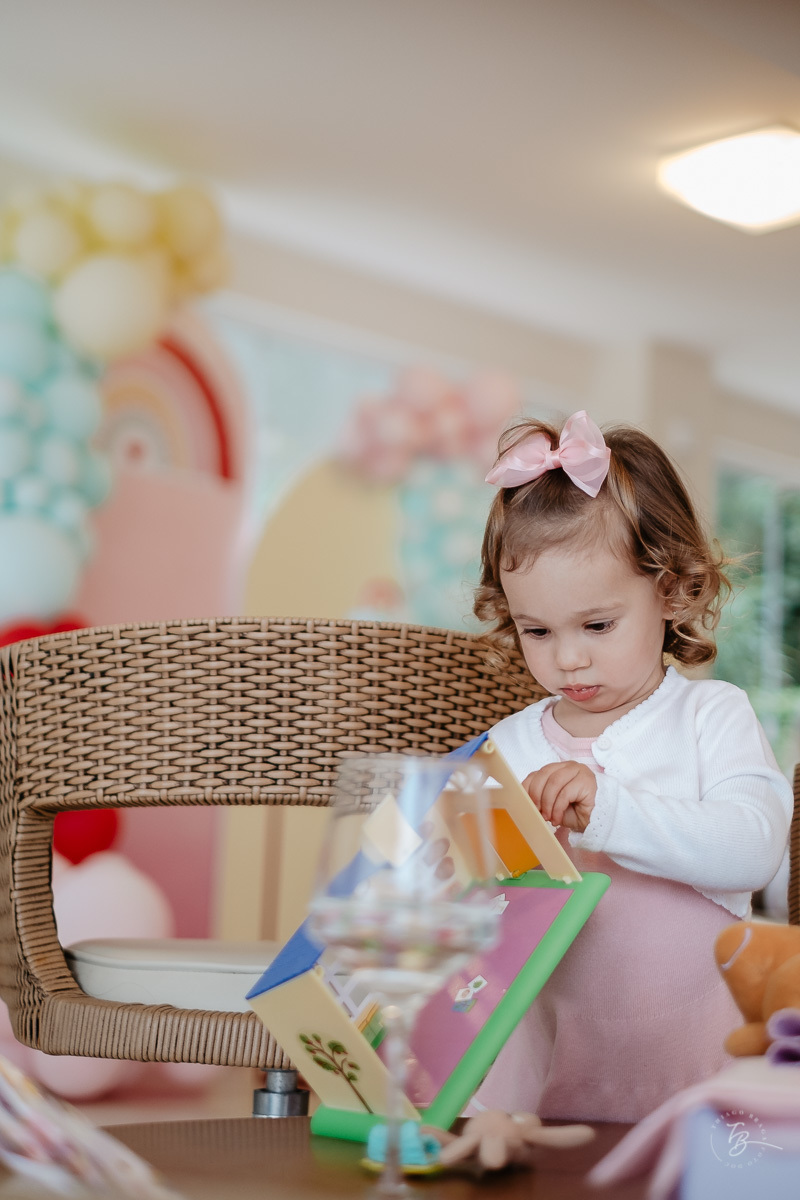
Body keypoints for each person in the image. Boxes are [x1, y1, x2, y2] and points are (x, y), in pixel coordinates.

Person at [470, 410, 792, 1124]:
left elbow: (753, 848)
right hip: (547, 1092)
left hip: (703, 1081)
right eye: (537, 631)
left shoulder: (713, 718)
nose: (569, 658)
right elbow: (473, 906)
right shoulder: (510, 745)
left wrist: (610, 809)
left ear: (671, 591)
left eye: (596, 625)